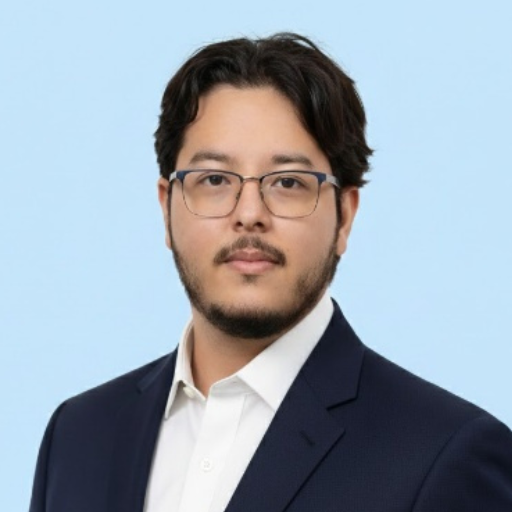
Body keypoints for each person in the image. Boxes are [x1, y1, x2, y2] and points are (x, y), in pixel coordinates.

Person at [29, 33, 512, 512]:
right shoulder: (78, 436)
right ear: (166, 207)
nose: (249, 214)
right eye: (214, 179)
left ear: (345, 216)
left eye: (288, 182)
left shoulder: (446, 456)